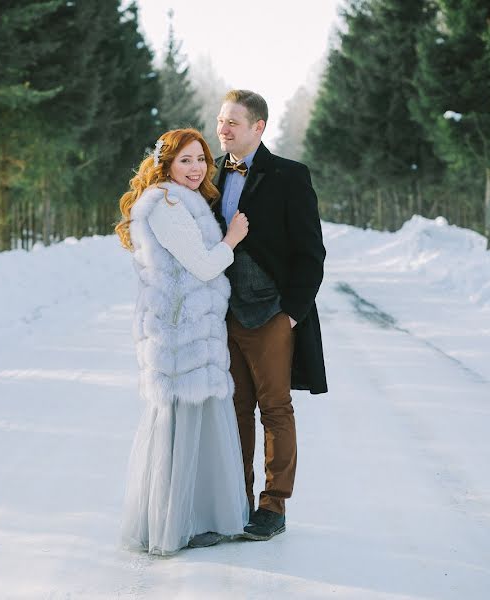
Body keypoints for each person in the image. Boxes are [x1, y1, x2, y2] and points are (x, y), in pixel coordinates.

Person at [117, 128, 251, 555]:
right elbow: (203, 265)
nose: (196, 169)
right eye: (186, 160)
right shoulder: (166, 203)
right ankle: (173, 525)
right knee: (180, 428)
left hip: (193, 333)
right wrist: (232, 238)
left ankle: (192, 519)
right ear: (167, 165)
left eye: (201, 160)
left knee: (193, 428)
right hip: (181, 336)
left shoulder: (184, 200)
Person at [214, 90, 328, 541]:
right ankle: (236, 499)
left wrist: (292, 314)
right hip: (223, 314)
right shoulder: (209, 175)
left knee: (274, 408)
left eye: (233, 123)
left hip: (271, 314)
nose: (223, 129)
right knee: (234, 410)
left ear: (258, 127)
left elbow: (311, 252)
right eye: (221, 120)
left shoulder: (290, 176)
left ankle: (273, 505)